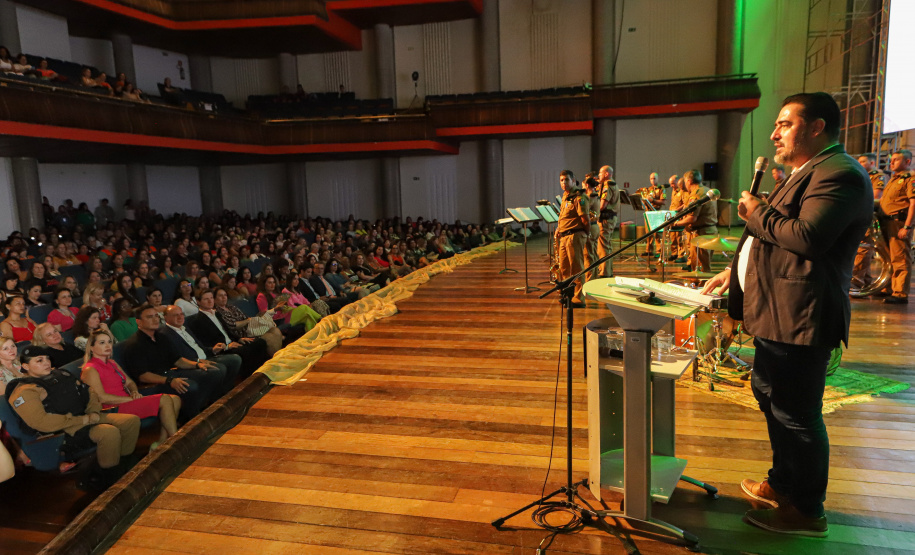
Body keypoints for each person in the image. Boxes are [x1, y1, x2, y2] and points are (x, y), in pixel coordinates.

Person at [701, 92, 872, 537]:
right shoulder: (807, 172)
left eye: (784, 124)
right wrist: (733, 273)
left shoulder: (840, 175)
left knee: (797, 415)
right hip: (775, 312)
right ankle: (783, 484)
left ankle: (807, 511)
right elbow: (770, 242)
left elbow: (807, 237)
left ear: (816, 127)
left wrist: (756, 212)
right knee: (770, 396)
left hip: (801, 317)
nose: (775, 133)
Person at [7, 345, 140, 490]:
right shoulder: (24, 390)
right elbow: (42, 423)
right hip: (61, 432)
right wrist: (83, 420)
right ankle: (110, 481)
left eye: (47, 359)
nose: (46, 363)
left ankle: (123, 466)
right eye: (39, 361)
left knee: (130, 421)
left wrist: (93, 412)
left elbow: (89, 392)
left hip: (85, 418)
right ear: (25, 366)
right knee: (108, 432)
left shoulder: (61, 375)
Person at [80, 329, 180, 450]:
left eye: (109, 342)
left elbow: (130, 382)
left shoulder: (111, 362)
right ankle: (176, 442)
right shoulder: (90, 369)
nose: (107, 346)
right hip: (113, 408)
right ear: (91, 348)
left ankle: (162, 442)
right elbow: (101, 397)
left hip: (127, 401)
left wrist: (134, 391)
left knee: (175, 399)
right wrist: (130, 399)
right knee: (165, 399)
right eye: (102, 343)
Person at [121, 304, 222, 419]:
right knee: (190, 385)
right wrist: (169, 380)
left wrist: (198, 364)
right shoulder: (134, 344)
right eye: (150, 317)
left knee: (212, 372)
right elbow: (143, 376)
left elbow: (178, 360)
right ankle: (188, 418)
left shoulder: (161, 337)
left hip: (171, 373)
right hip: (155, 382)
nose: (155, 319)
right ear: (139, 322)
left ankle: (203, 409)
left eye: (156, 316)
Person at [161, 306, 240, 398]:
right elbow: (177, 359)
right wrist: (197, 361)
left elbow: (200, 347)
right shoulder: (165, 334)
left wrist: (213, 350)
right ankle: (215, 398)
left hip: (206, 357)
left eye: (181, 314)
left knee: (235, 359)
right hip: (192, 364)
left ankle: (227, 392)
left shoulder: (185, 328)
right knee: (218, 369)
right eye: (175, 315)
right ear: (165, 317)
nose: (180, 317)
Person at [188, 290, 269, 378]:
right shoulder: (197, 321)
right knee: (246, 351)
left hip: (232, 342)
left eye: (211, 298)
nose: (210, 301)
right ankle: (250, 378)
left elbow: (227, 331)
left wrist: (239, 339)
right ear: (199, 302)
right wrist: (227, 346)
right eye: (206, 299)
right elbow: (206, 342)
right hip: (222, 348)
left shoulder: (217, 314)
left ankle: (261, 374)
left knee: (260, 342)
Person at [876, 150, 915, 304]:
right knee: (888, 258)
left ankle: (900, 293)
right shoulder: (893, 179)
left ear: (907, 162)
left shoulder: (910, 179)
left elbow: (913, 204)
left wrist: (907, 226)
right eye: (891, 160)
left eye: (896, 160)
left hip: (898, 222)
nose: (891, 163)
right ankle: (888, 288)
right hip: (886, 222)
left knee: (900, 258)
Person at [851, 153, 888, 288]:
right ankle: (865, 282)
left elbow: (876, 196)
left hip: (871, 215)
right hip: (863, 213)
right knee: (862, 248)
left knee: (864, 248)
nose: (859, 164)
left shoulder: (879, 177)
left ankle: (857, 280)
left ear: (872, 163)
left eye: (862, 162)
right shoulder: (863, 176)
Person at [213, 286, 284, 356]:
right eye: (220, 296)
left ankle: (279, 358)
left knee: (275, 330)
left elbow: (246, 318)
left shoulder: (232, 307)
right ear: (215, 299)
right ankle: (276, 358)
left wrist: (251, 321)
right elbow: (232, 325)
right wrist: (247, 321)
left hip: (251, 328)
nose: (224, 297)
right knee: (270, 337)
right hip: (242, 334)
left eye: (225, 295)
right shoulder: (218, 312)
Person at [555, 170, 589, 307]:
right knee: (564, 268)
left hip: (574, 235)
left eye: (566, 180)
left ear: (573, 180)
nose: (564, 183)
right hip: (564, 236)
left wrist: (585, 234)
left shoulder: (579, 197)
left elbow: (585, 219)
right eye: (561, 180)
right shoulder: (565, 196)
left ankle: (579, 298)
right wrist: (559, 228)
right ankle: (568, 294)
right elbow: (564, 216)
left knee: (577, 267)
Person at [678, 169, 718, 272]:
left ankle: (700, 287)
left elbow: (692, 218)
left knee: (699, 268)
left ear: (689, 181)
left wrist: (676, 223)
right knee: (705, 264)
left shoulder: (696, 194)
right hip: (710, 231)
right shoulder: (707, 190)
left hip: (700, 234)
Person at [596, 165, 619, 277]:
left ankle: (604, 272)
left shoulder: (607, 185)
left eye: (600, 173)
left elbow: (602, 205)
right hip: (609, 218)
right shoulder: (611, 184)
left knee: (603, 246)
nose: (598, 175)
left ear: (606, 174)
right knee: (607, 245)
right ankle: (608, 271)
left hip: (606, 219)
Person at [582, 174, 602, 281]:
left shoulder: (590, 197)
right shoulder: (596, 195)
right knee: (593, 254)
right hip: (595, 227)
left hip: (591, 227)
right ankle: (594, 278)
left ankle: (590, 280)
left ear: (586, 185)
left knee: (589, 255)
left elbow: (583, 209)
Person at [642, 172, 666, 257]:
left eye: (654, 178)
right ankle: (649, 250)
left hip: (657, 212)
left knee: (657, 233)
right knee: (648, 232)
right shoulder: (649, 189)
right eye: (651, 179)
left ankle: (659, 251)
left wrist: (653, 200)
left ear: (658, 178)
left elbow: (663, 202)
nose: (652, 180)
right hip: (649, 213)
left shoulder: (661, 188)